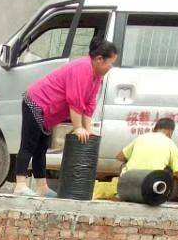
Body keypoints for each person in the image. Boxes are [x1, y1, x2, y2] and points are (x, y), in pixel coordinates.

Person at [13, 38, 119, 196]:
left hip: (49, 112)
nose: (111, 67)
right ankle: (20, 184)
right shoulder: (82, 68)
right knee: (29, 145)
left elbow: (89, 105)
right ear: (99, 59)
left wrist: (88, 130)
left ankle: (42, 187)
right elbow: (74, 100)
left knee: (41, 149)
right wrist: (78, 128)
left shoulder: (97, 77)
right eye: (110, 63)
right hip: (37, 102)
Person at [93, 117, 178, 201]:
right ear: (170, 132)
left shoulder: (141, 138)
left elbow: (120, 157)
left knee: (124, 165)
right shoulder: (171, 144)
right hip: (149, 190)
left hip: (125, 187)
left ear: (155, 129)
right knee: (167, 172)